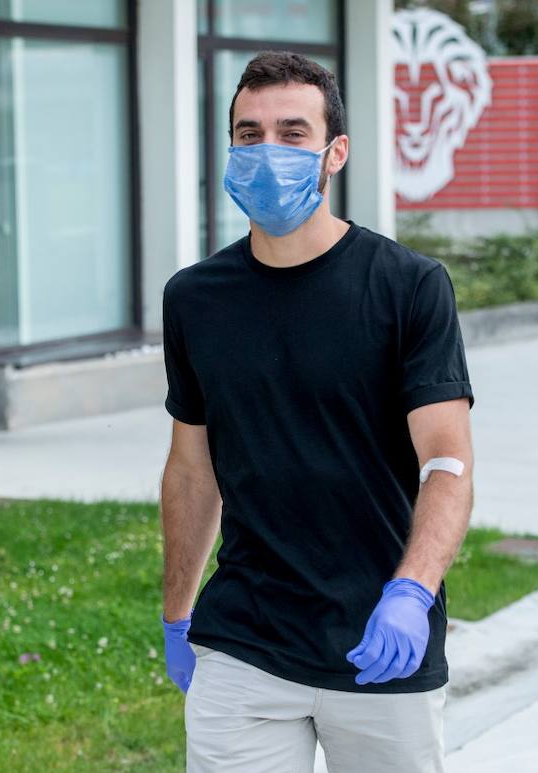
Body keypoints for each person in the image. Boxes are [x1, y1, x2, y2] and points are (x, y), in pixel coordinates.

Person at [158, 50, 475, 773]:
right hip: (246, 639)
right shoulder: (194, 298)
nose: (267, 151)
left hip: (379, 641)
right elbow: (190, 469)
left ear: (336, 151)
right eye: (249, 133)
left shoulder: (409, 288)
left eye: (292, 132)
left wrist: (411, 591)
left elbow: (448, 462)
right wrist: (178, 613)